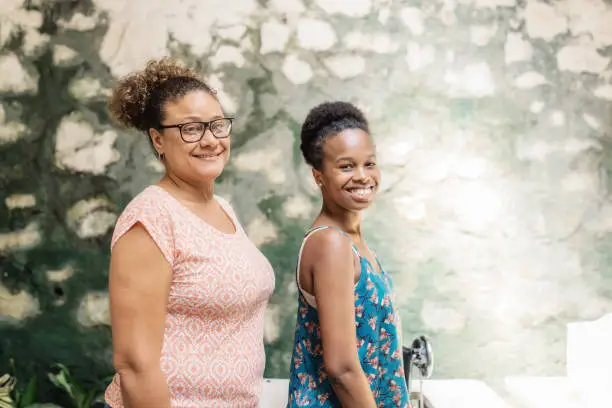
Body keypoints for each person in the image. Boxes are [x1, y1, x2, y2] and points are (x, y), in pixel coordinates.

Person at [103, 58, 275, 408]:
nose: (210, 140)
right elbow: (135, 365)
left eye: (218, 126)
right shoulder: (150, 218)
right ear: (158, 140)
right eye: (191, 129)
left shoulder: (223, 209)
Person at [287, 101, 409, 407]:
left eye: (369, 163)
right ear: (318, 176)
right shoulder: (330, 244)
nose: (362, 176)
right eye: (345, 166)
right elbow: (341, 369)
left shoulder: (354, 243)